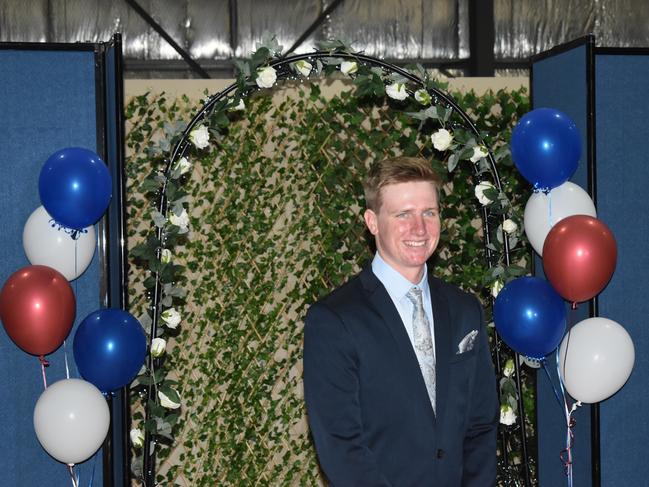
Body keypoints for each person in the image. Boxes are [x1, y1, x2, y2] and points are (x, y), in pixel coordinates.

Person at [303, 156, 498, 486]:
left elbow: (480, 425)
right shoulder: (334, 320)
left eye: (429, 213)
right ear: (373, 222)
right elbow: (342, 446)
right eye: (403, 214)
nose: (419, 228)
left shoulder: (465, 310)